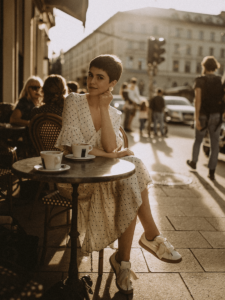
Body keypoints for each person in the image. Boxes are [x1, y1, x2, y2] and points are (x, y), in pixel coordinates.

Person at [55, 54, 182, 295]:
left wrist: (104, 109)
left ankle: (124, 263)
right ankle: (149, 239)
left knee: (130, 183)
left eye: (100, 77)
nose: (92, 81)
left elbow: (110, 147)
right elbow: (74, 146)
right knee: (131, 171)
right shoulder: (73, 100)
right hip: (73, 181)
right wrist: (112, 157)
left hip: (102, 179)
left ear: (112, 83)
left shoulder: (113, 113)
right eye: (91, 74)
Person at [187, 56, 225, 180]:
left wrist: (196, 118)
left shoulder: (200, 80)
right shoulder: (221, 80)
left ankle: (194, 162)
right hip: (216, 115)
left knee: (198, 140)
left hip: (203, 114)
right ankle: (212, 171)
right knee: (215, 144)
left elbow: (197, 99)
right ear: (215, 67)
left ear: (204, 66)